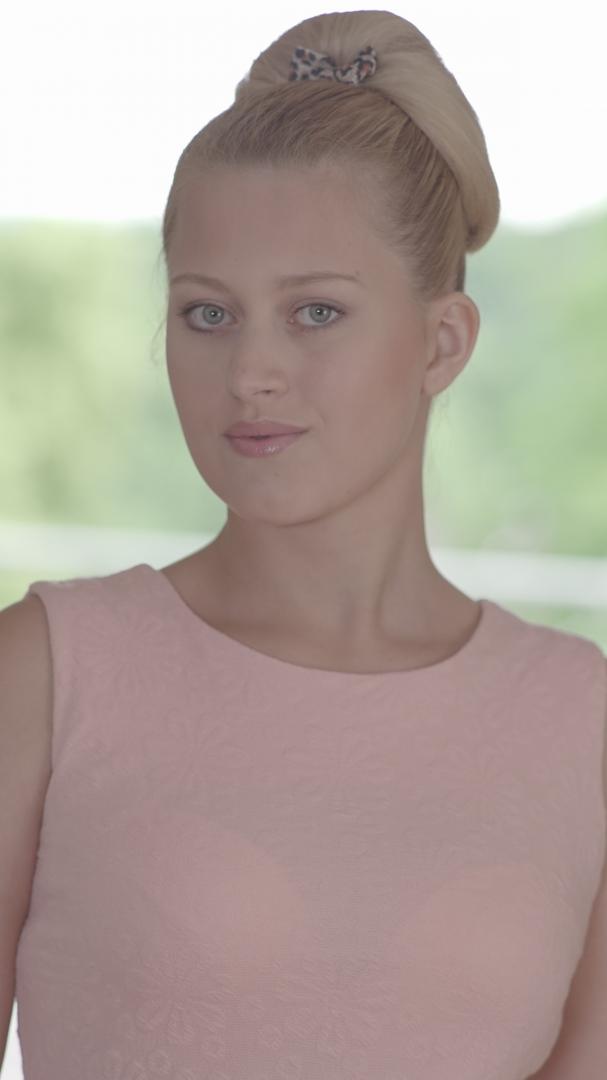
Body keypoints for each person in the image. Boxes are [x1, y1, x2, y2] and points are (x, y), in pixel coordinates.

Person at [2, 9, 606, 1079]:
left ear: (442, 342)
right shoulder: (48, 671)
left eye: (315, 313)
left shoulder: (581, 716)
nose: (250, 374)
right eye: (207, 314)